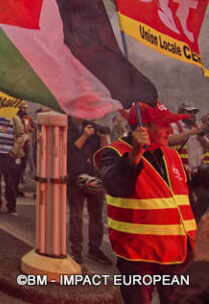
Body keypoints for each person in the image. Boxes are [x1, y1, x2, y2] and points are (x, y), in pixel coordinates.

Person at [95, 102, 196, 304]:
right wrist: (134, 154)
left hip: (177, 256)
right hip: (138, 256)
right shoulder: (113, 153)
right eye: (164, 125)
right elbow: (116, 185)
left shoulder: (172, 154)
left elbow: (186, 200)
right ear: (144, 127)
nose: (171, 130)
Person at [66, 119, 110, 265]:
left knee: (96, 216)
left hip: (94, 177)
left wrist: (104, 137)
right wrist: (84, 136)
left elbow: (105, 153)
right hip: (75, 177)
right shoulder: (65, 126)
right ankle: (76, 251)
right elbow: (70, 152)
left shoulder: (93, 127)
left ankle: (94, 249)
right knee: (76, 215)